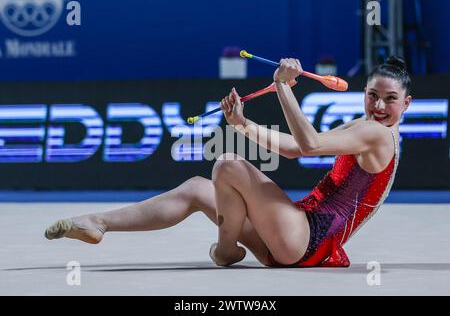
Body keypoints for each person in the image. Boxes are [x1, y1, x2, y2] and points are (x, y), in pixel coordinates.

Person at [45, 56, 411, 267]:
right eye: (372, 95)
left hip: (307, 238)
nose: (379, 106)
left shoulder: (377, 134)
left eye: (390, 99)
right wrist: (243, 124)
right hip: (290, 238)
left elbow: (310, 142)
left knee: (228, 165)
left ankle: (226, 250)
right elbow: (296, 150)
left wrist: (283, 88)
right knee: (196, 189)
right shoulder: (368, 128)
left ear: (406, 104)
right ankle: (98, 223)